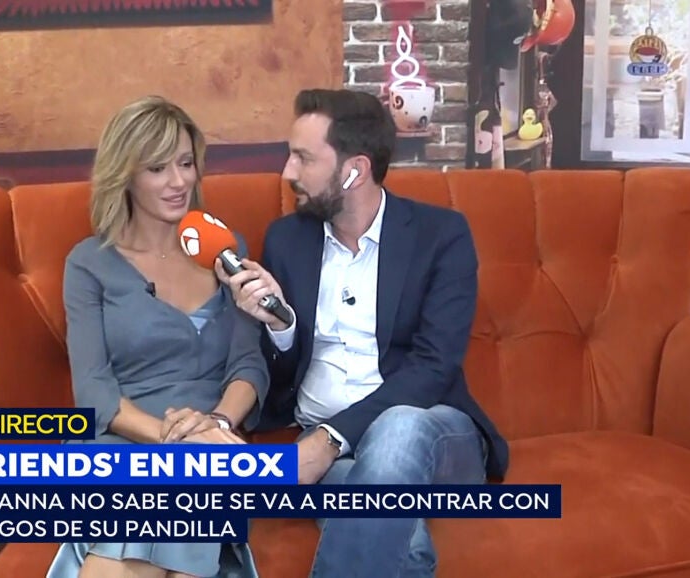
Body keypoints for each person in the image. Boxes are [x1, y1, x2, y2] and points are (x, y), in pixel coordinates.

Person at [216, 88, 510, 577]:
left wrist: (329, 440)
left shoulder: (441, 236)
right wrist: (282, 327)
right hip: (331, 448)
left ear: (354, 170)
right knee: (405, 547)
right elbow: (281, 378)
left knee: (398, 428)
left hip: (435, 437)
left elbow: (433, 367)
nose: (287, 173)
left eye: (303, 158)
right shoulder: (287, 239)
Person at [46, 95, 267, 578]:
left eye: (186, 163)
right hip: (122, 440)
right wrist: (177, 443)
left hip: (212, 442)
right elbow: (94, 392)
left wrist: (216, 427)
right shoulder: (88, 263)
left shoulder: (226, 250)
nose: (179, 181)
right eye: (158, 168)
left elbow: (248, 364)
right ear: (125, 175)